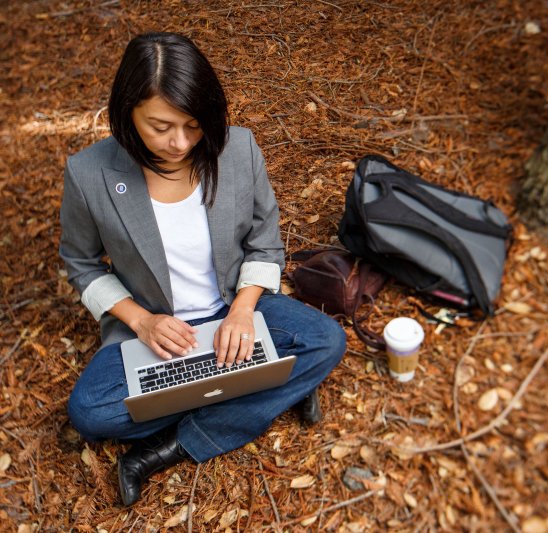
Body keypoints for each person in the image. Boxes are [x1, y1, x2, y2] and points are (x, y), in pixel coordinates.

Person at [59, 32, 346, 507]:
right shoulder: (90, 175)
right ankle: (269, 388)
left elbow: (264, 240)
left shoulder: (237, 149)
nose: (180, 142)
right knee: (88, 411)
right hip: (157, 328)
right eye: (161, 126)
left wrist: (242, 311)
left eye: (194, 125)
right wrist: (142, 320)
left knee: (326, 341)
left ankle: (162, 450)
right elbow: (81, 264)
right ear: (127, 110)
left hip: (238, 305)